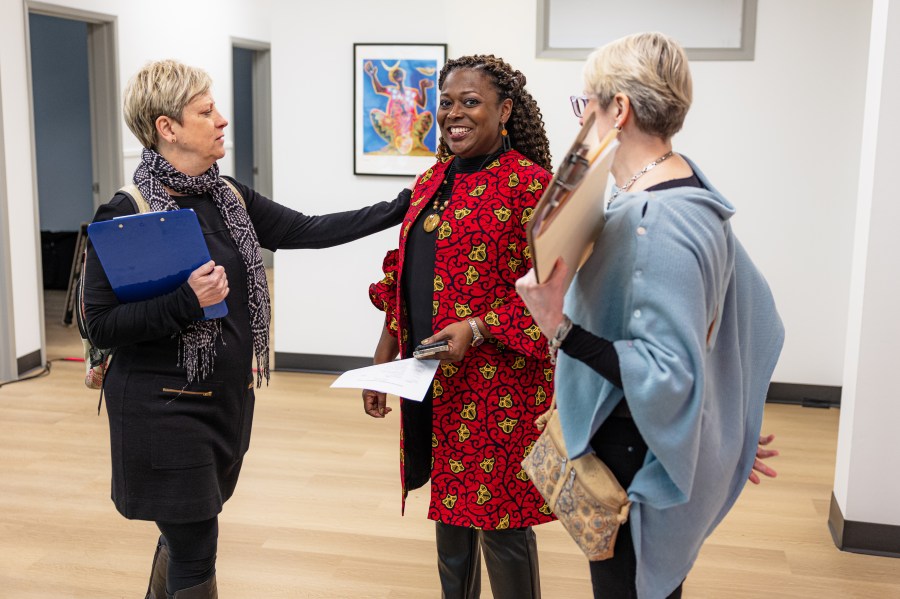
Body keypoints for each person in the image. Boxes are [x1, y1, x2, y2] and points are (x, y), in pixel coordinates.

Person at [82, 59, 410, 599]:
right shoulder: (127, 212)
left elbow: (308, 229)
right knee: (195, 548)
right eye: (206, 111)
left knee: (184, 534)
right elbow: (102, 325)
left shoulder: (226, 196)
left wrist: (405, 204)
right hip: (162, 409)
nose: (222, 120)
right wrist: (189, 300)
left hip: (223, 402)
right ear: (167, 127)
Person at [515, 33, 785, 598]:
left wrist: (556, 326)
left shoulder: (653, 220)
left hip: (636, 454)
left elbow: (667, 372)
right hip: (649, 437)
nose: (582, 118)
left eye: (585, 103)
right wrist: (724, 416)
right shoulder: (692, 189)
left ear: (620, 109)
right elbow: (746, 314)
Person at [364, 55, 555, 599]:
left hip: (499, 388)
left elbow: (561, 291)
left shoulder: (531, 187)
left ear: (505, 111)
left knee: (501, 528)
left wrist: (480, 326)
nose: (453, 114)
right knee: (449, 521)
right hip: (433, 382)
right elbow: (402, 273)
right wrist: (385, 356)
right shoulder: (431, 180)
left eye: (470, 102)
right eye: (446, 102)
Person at [364, 60, 435, 155]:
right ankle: (393, 142)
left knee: (427, 116)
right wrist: (373, 75)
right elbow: (379, 89)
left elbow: (422, 104)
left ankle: (416, 142)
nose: (398, 76)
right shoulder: (393, 91)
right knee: (375, 114)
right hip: (394, 126)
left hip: (411, 126)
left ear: (403, 76)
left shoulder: (412, 92)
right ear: (394, 78)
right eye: (396, 75)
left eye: (399, 73)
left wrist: (423, 88)